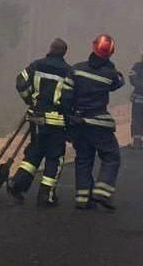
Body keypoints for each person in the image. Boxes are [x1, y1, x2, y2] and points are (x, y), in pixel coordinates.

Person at [8, 37, 75, 207]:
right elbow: (69, 98)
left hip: (36, 117)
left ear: (50, 49)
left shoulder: (36, 65)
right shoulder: (68, 71)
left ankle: (17, 184)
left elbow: (20, 81)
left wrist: (29, 99)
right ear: (64, 53)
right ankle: (46, 195)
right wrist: (70, 118)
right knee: (55, 156)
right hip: (56, 121)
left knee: (35, 151)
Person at [70, 33, 125, 210]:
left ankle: (83, 199)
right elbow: (119, 82)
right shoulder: (110, 74)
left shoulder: (76, 69)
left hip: (78, 122)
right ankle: (102, 192)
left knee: (83, 159)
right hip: (98, 122)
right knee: (111, 156)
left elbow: (66, 94)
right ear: (111, 53)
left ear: (93, 47)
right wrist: (110, 66)